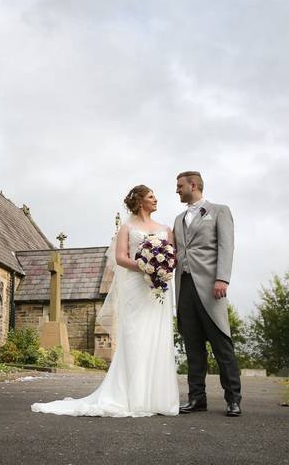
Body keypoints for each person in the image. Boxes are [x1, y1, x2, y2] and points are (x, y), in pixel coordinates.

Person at [31, 184, 179, 417]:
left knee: (157, 337)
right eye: (152, 196)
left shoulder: (166, 229)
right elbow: (120, 258)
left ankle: (156, 398)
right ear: (140, 202)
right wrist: (145, 266)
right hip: (135, 288)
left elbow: (172, 256)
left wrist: (160, 269)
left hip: (157, 290)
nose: (156, 199)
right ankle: (133, 397)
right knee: (135, 338)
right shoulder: (127, 229)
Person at [173, 171, 242, 417]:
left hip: (212, 285)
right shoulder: (178, 218)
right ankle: (196, 398)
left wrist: (222, 278)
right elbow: (177, 252)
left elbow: (226, 245)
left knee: (221, 344)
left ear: (194, 185)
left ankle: (233, 399)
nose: (177, 190)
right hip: (184, 286)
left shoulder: (219, 211)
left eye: (180, 186)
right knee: (192, 347)